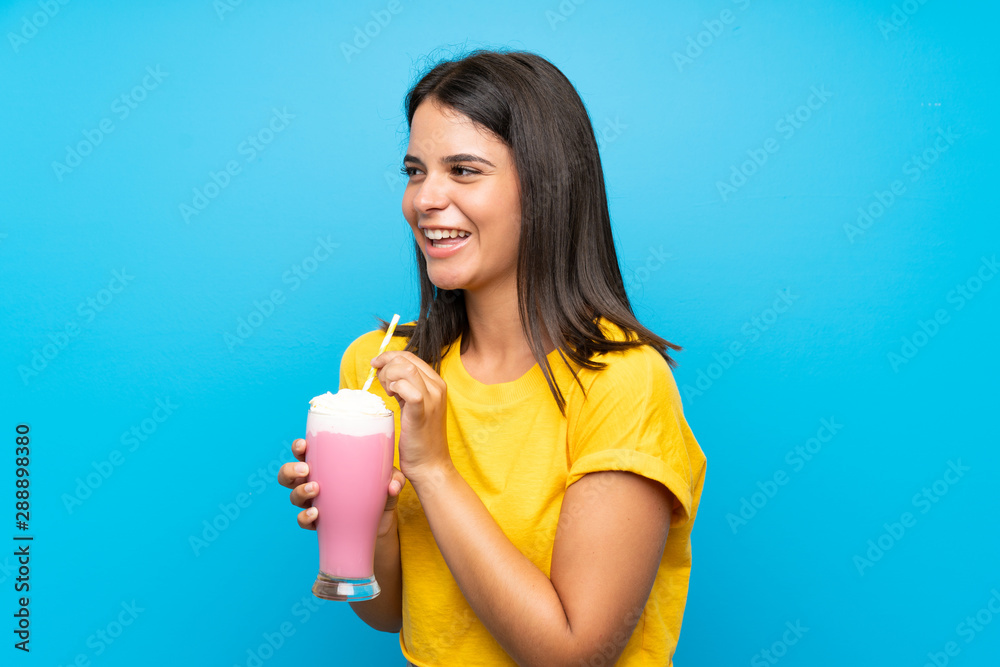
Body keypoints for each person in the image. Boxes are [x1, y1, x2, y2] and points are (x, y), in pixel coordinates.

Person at [278, 48, 707, 666]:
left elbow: (572, 655)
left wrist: (433, 469)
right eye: (415, 171)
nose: (425, 198)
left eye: (463, 170)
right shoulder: (381, 370)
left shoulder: (622, 382)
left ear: (546, 188)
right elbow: (389, 612)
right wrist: (371, 523)